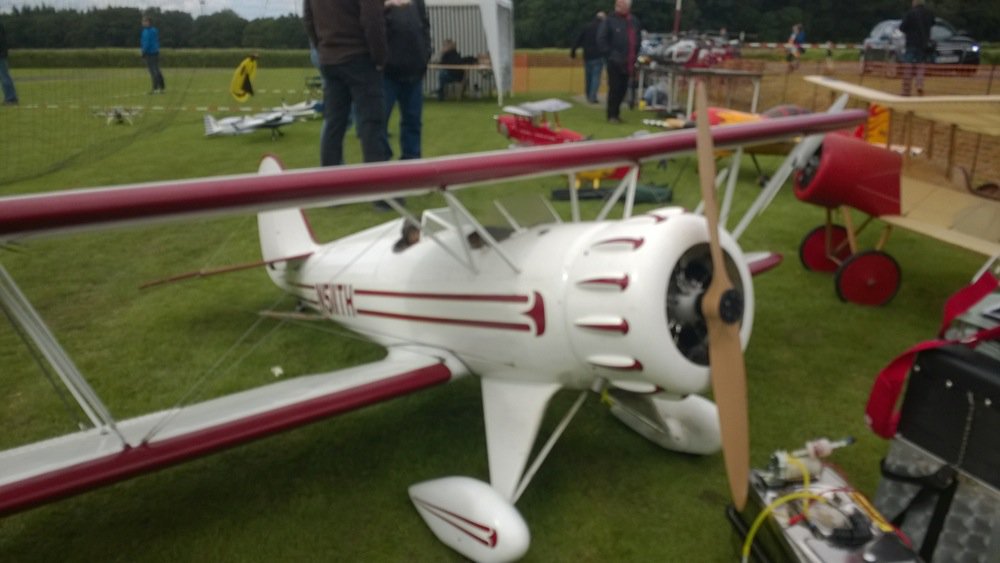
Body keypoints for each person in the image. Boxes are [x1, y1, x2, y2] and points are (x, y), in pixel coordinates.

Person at [303, 0, 388, 167]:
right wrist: (380, 57)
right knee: (371, 124)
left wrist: (323, 48)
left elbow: (308, 18)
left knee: (333, 125)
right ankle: (376, 179)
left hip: (330, 59)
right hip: (360, 57)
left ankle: (329, 177)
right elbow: (372, 18)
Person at [383, 0, 432, 160]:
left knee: (413, 121)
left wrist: (425, 55)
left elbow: (424, 25)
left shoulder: (418, 2)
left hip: (414, 70)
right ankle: (381, 159)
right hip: (388, 72)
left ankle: (412, 160)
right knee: (379, 121)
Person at [597, 0, 641, 124]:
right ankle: (611, 114)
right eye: (618, 4)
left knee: (623, 88)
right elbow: (601, 39)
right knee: (614, 88)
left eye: (622, 5)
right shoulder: (609, 21)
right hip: (614, 61)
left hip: (629, 61)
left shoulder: (634, 21)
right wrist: (610, 55)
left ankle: (616, 113)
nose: (619, 7)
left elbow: (638, 38)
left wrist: (636, 53)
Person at [899, 0, 935, 96]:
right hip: (924, 44)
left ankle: (906, 90)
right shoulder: (929, 13)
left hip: (911, 43)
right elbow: (932, 24)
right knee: (920, 66)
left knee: (908, 66)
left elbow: (902, 28)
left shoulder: (910, 13)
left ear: (914, 3)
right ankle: (920, 85)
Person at [570, 11, 606, 104]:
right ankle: (592, 97)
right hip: (598, 56)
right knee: (596, 77)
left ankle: (588, 94)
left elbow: (578, 39)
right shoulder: (603, 28)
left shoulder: (587, 26)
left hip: (587, 55)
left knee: (588, 76)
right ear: (603, 19)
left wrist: (573, 51)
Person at [140, 16, 165, 94]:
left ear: (148, 22)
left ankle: (155, 88)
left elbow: (146, 43)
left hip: (150, 53)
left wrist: (143, 52)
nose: (143, 23)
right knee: (157, 70)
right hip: (155, 52)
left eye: (144, 21)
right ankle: (161, 87)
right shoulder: (154, 30)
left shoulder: (147, 32)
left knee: (153, 71)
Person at [0, 20, 18, 105]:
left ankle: (11, 98)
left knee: (4, 76)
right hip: (2, 53)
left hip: (1, 55)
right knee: (4, 76)